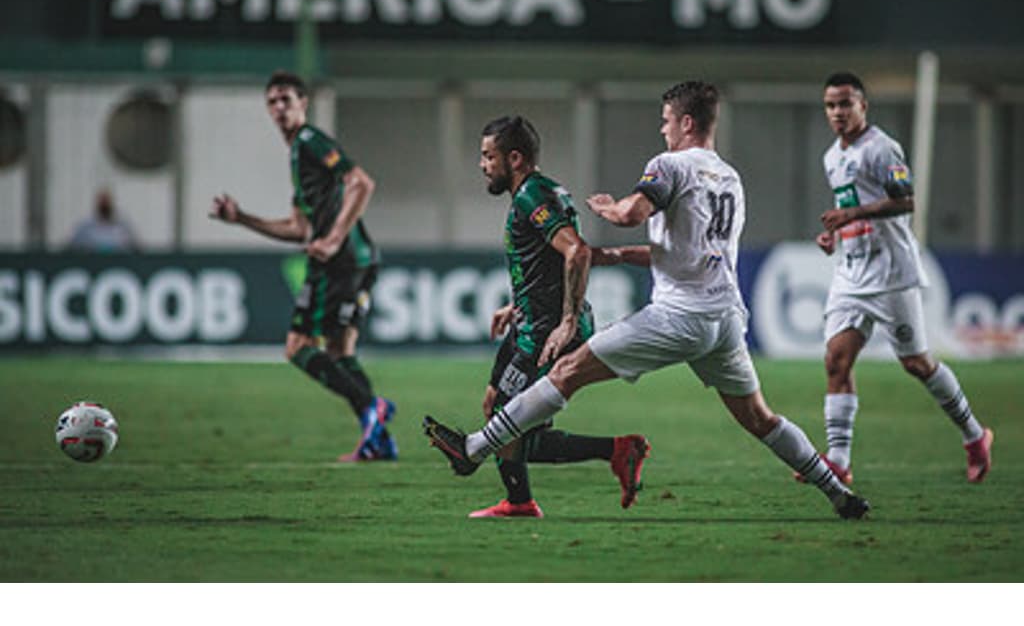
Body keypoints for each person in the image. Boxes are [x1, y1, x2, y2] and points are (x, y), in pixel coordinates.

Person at [424, 81, 871, 520]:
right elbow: (686, 252)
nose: (663, 131)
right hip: (726, 319)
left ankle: (474, 447)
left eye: (666, 121)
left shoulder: (669, 165)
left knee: (565, 372)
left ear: (686, 122)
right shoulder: (730, 178)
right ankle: (838, 493)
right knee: (760, 418)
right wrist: (614, 257)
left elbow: (632, 214)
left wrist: (610, 209)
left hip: (680, 317)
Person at [425, 116, 650, 518]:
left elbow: (577, 252)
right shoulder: (538, 192)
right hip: (528, 321)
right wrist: (517, 305)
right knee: (496, 404)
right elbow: (548, 259)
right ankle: (520, 499)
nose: (482, 165)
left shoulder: (532, 196)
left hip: (547, 331)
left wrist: (566, 321)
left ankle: (615, 451)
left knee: (508, 427)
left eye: (488, 156)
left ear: (514, 158)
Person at [807, 71, 993, 484]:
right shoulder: (830, 156)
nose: (837, 112)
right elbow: (850, 205)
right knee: (836, 361)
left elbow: (905, 200)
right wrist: (835, 233)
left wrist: (852, 215)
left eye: (845, 103)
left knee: (916, 363)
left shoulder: (882, 148)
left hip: (891, 273)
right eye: (830, 105)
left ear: (862, 106)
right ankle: (839, 460)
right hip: (852, 273)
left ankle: (975, 436)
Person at [209, 70, 396, 462]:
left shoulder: (310, 141)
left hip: (338, 263)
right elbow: (298, 228)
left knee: (297, 348)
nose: (279, 108)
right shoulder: (299, 159)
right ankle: (377, 441)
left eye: (286, 100)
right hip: (360, 260)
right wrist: (241, 217)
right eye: (272, 102)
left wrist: (331, 239)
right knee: (341, 350)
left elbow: (361, 182)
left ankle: (370, 406)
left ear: (303, 104)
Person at [69, 188, 138, 252]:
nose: (105, 204)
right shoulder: (86, 226)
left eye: (107, 201)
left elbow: (133, 246)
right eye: (102, 202)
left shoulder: (122, 225)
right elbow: (73, 247)